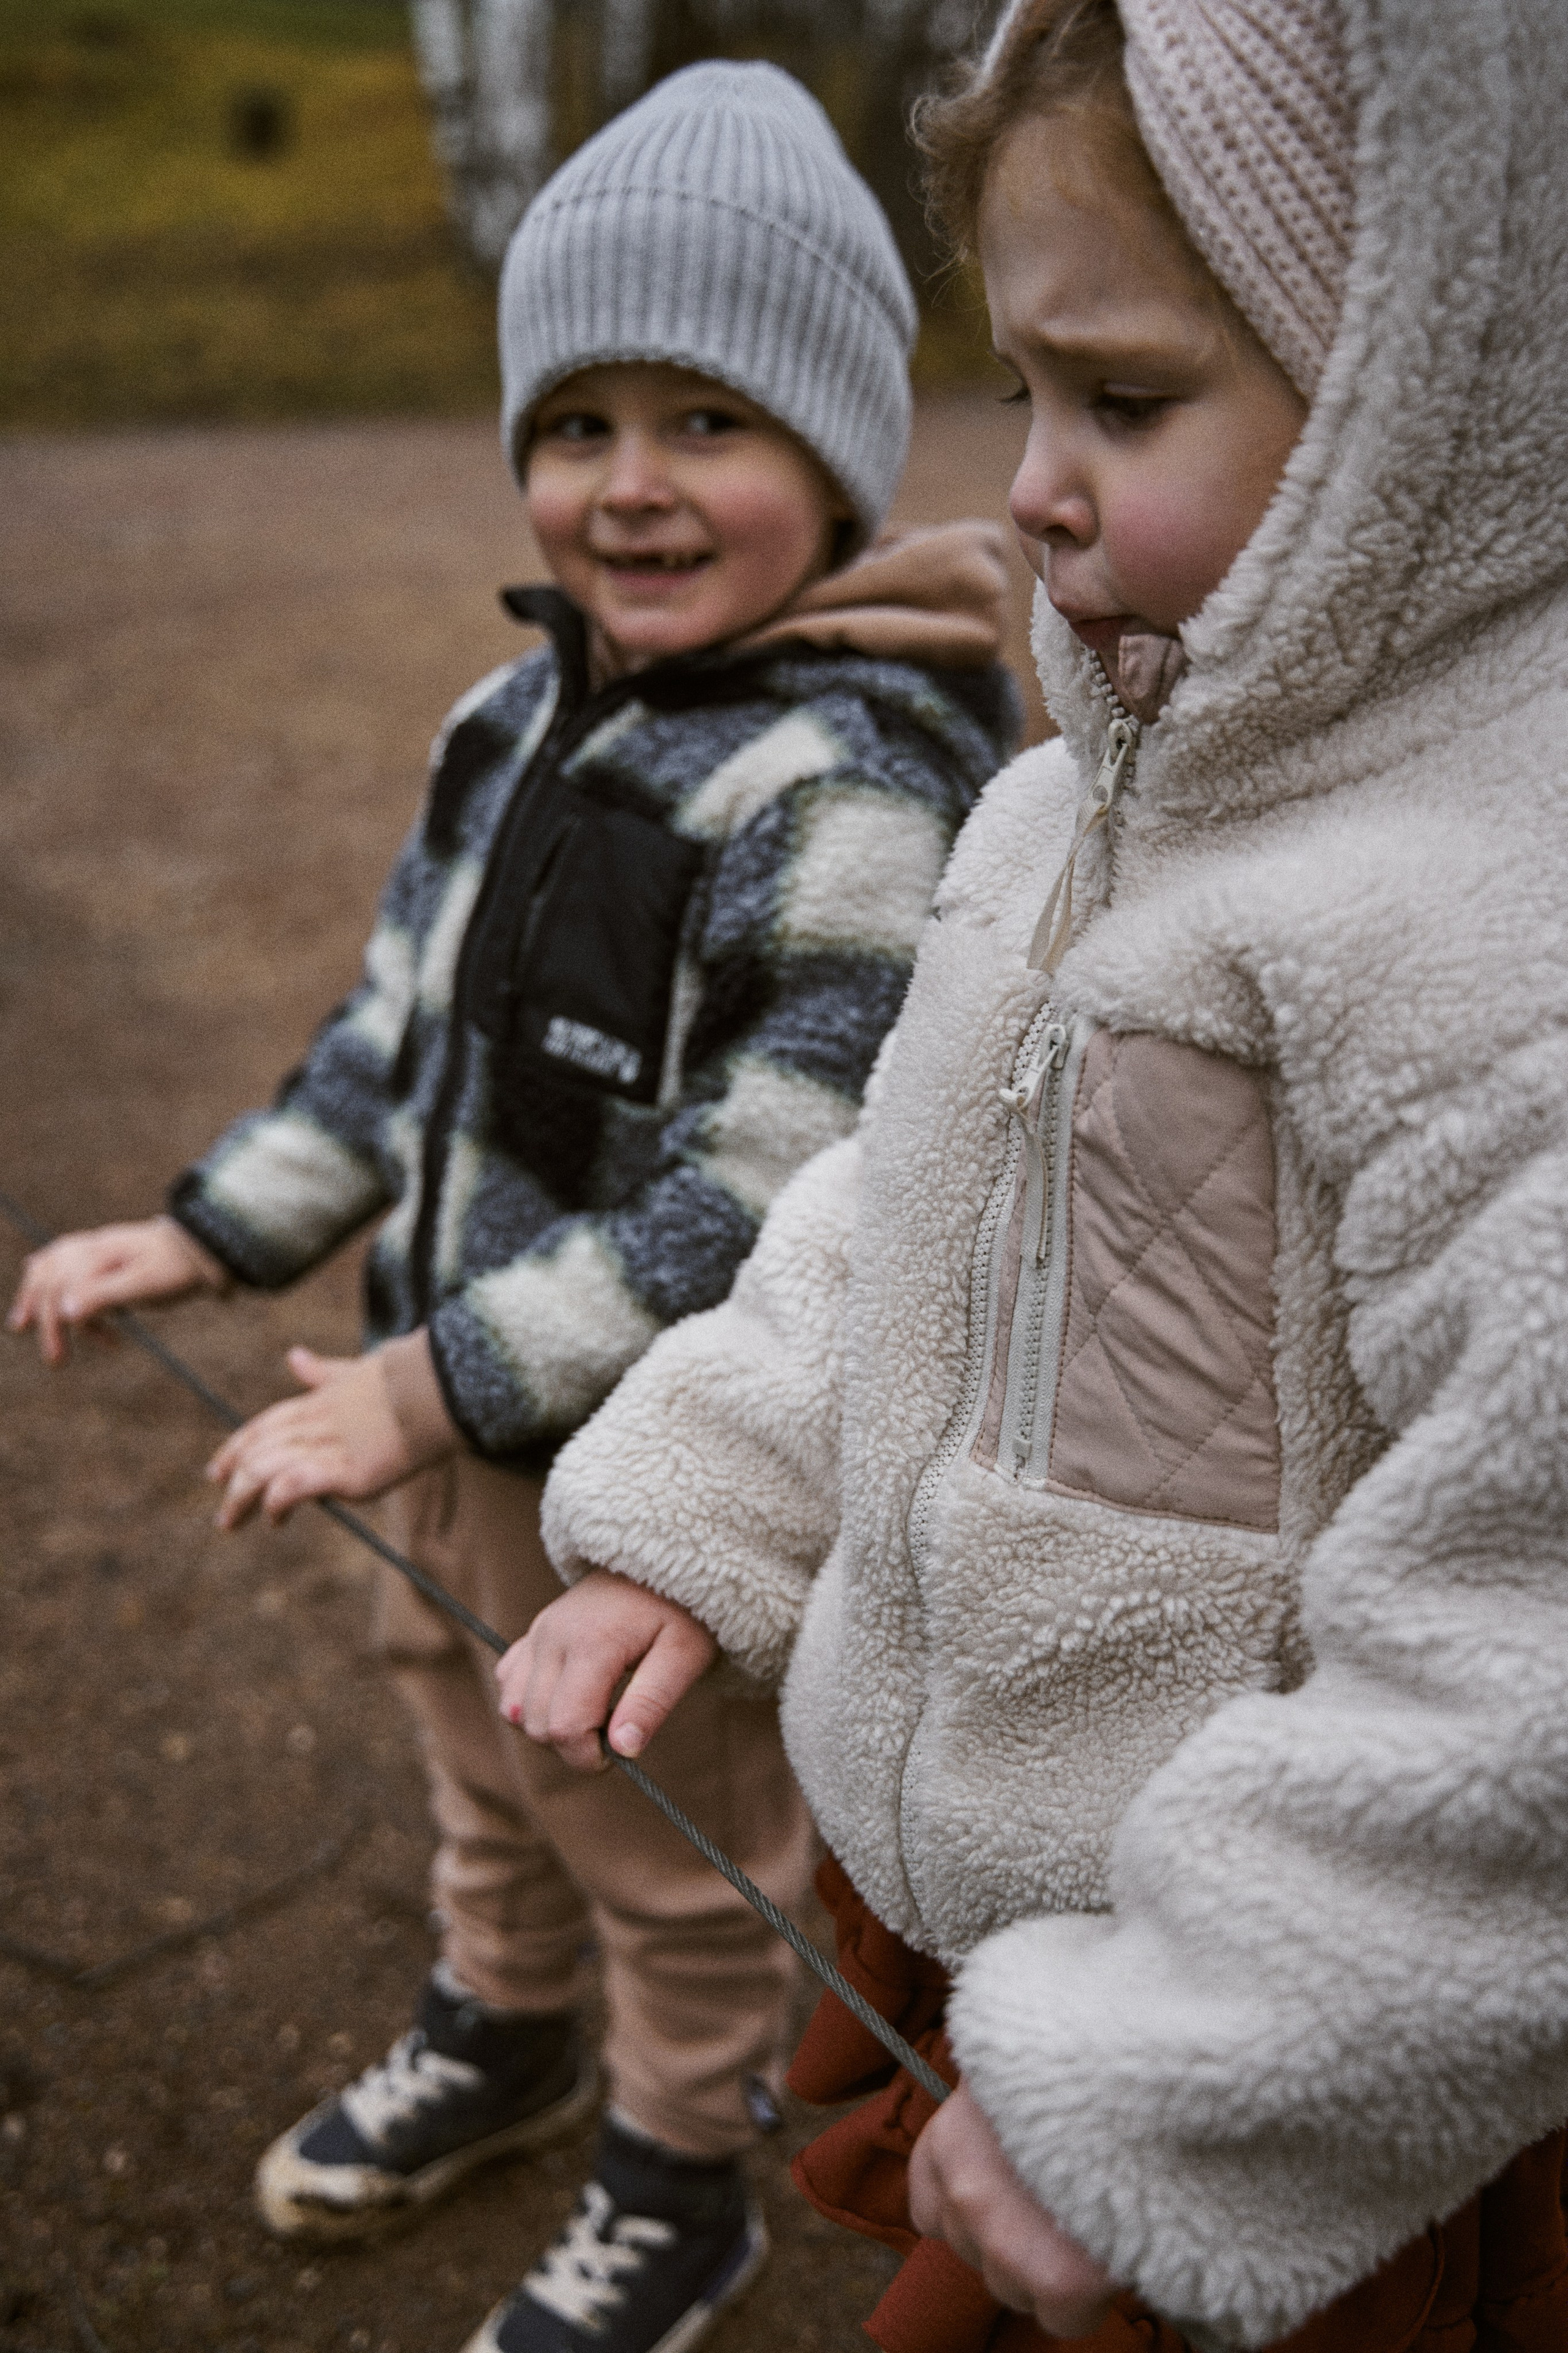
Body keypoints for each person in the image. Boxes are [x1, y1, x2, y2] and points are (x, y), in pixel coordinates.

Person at [498, 2, 1568, 2348]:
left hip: (1285, 2017)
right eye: (1025, 398)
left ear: (1415, 396)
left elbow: (1536, 1625)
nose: (1040, 488)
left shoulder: (1493, 916)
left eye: (1134, 399)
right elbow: (907, 1213)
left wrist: (1207, 2080)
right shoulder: (1070, 801)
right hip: (992, 1894)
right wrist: (706, 1503)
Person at [8, 61, 1020, 2353]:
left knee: (665, 1853)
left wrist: (411, 1381)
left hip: (666, 1494)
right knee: (465, 1752)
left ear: (839, 457)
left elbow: (768, 1209)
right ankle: (500, 2023)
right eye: (577, 423)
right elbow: (392, 1035)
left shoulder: (848, 792)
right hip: (450, 1436)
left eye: (708, 422)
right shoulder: (509, 714)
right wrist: (208, 1229)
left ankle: (681, 2180)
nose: (631, 486)